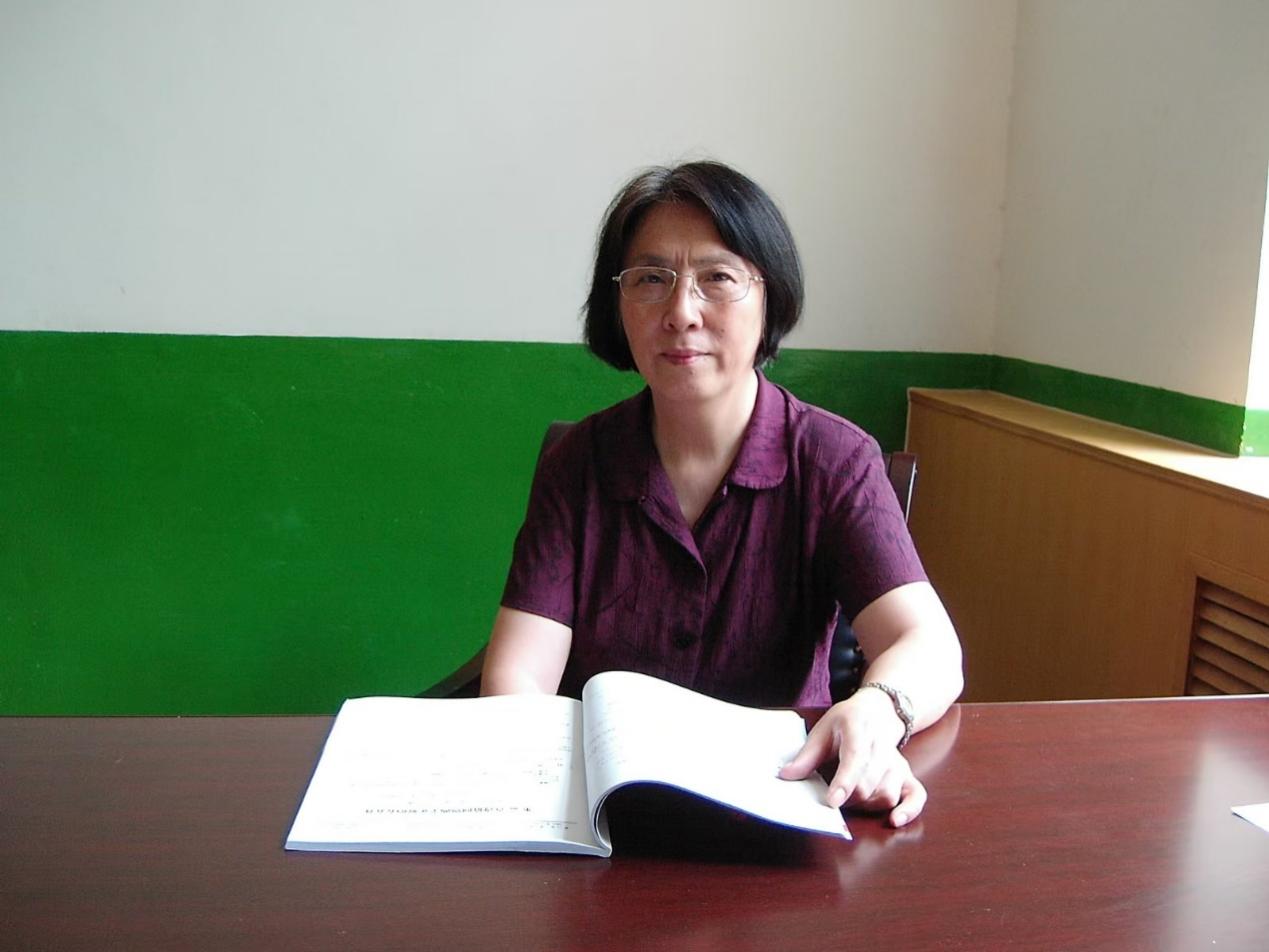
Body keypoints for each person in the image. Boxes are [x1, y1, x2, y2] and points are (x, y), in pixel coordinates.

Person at [481, 160, 963, 827]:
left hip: (780, 806)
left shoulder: (833, 460)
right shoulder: (580, 465)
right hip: (612, 814)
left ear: (770, 298)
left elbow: (929, 645)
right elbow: (517, 676)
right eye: (650, 279)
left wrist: (879, 709)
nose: (681, 313)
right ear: (617, 304)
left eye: (718, 278)